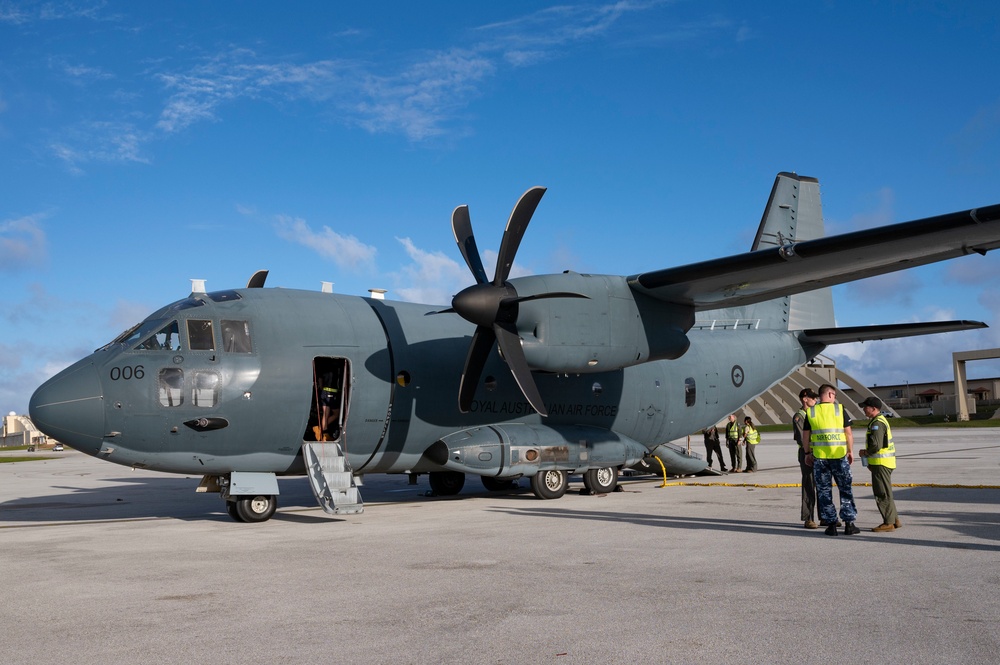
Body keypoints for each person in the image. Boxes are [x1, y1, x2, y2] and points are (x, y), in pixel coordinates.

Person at [802, 383, 860, 536]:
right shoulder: (839, 409)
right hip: (839, 456)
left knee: (824, 491)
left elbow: (806, 435)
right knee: (845, 489)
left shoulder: (811, 412)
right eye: (834, 395)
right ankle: (849, 524)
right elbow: (848, 433)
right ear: (829, 394)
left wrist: (807, 453)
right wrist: (850, 451)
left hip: (820, 458)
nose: (835, 398)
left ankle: (831, 525)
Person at [858, 396, 902, 532]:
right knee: (886, 491)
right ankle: (894, 519)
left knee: (881, 493)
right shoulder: (878, 421)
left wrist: (866, 452)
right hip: (884, 462)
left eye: (865, 407)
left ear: (874, 409)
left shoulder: (877, 423)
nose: (863, 409)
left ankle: (888, 523)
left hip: (881, 463)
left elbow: (876, 445)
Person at [793, 388, 819, 529]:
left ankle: (825, 516)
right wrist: (809, 453)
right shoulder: (800, 416)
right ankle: (808, 518)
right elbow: (801, 438)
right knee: (809, 485)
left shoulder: (814, 414)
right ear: (804, 399)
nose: (815, 400)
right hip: (807, 454)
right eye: (812, 398)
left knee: (821, 485)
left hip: (819, 453)